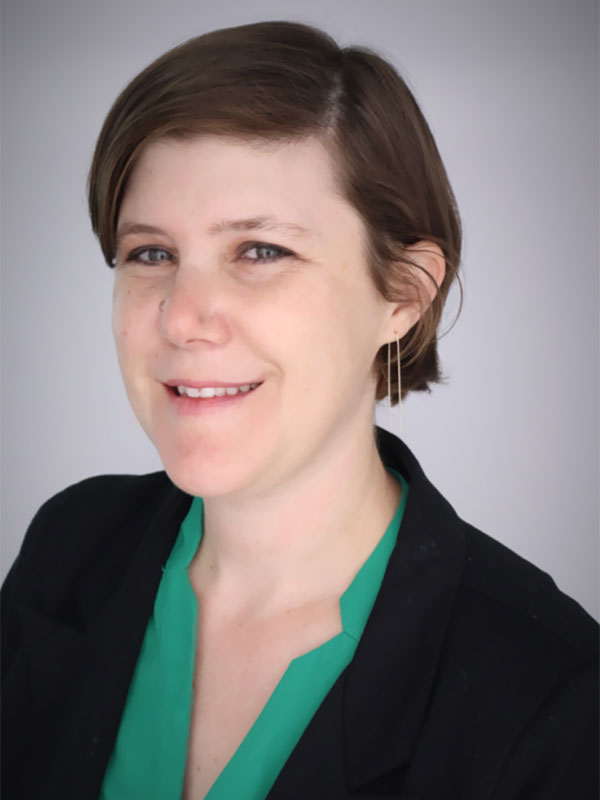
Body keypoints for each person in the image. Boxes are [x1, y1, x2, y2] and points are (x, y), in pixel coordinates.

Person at [1, 19, 597, 800]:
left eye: (260, 251)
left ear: (404, 295)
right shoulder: (69, 549)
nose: (182, 317)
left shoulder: (551, 693)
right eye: (152, 253)